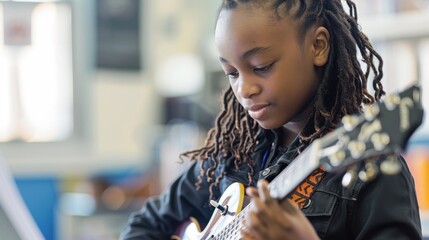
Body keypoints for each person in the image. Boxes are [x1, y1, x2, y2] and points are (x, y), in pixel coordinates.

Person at [120, 0, 422, 239]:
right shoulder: (231, 158)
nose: (244, 89)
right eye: (232, 73)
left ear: (318, 46)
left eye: (261, 66)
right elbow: (144, 226)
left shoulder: (373, 168)